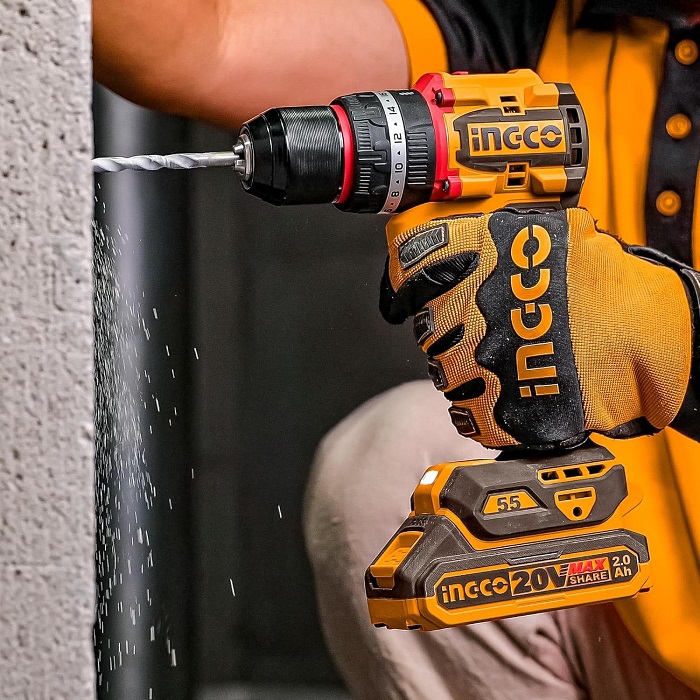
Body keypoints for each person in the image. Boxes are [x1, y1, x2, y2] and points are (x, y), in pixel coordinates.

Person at [93, 1, 700, 697]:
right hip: (639, 624)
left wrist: (671, 338)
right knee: (393, 470)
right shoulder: (540, 24)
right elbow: (206, 41)